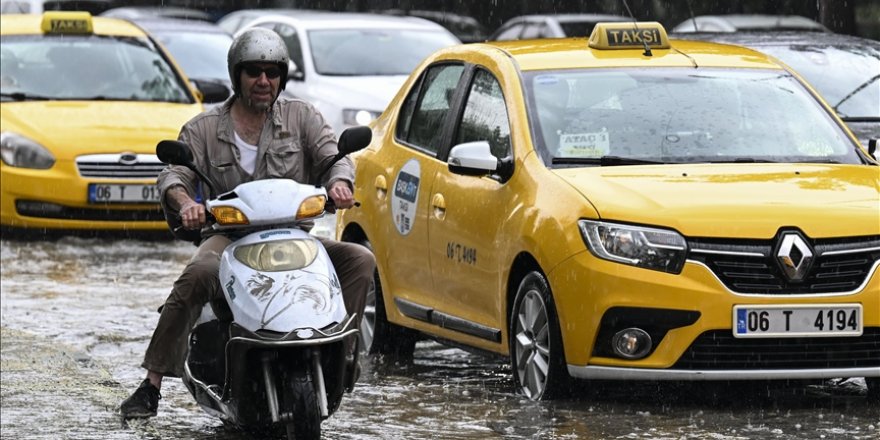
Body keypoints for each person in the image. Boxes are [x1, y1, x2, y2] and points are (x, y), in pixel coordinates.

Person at [119, 27, 375, 419]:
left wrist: (339, 182)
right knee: (199, 271)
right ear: (236, 76)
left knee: (359, 259)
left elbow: (333, 156)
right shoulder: (203, 129)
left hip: (294, 239)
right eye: (254, 72)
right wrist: (186, 202)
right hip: (230, 239)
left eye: (272, 72)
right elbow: (173, 175)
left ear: (281, 78)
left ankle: (342, 357)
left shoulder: (302, 117)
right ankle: (151, 384)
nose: (263, 81)